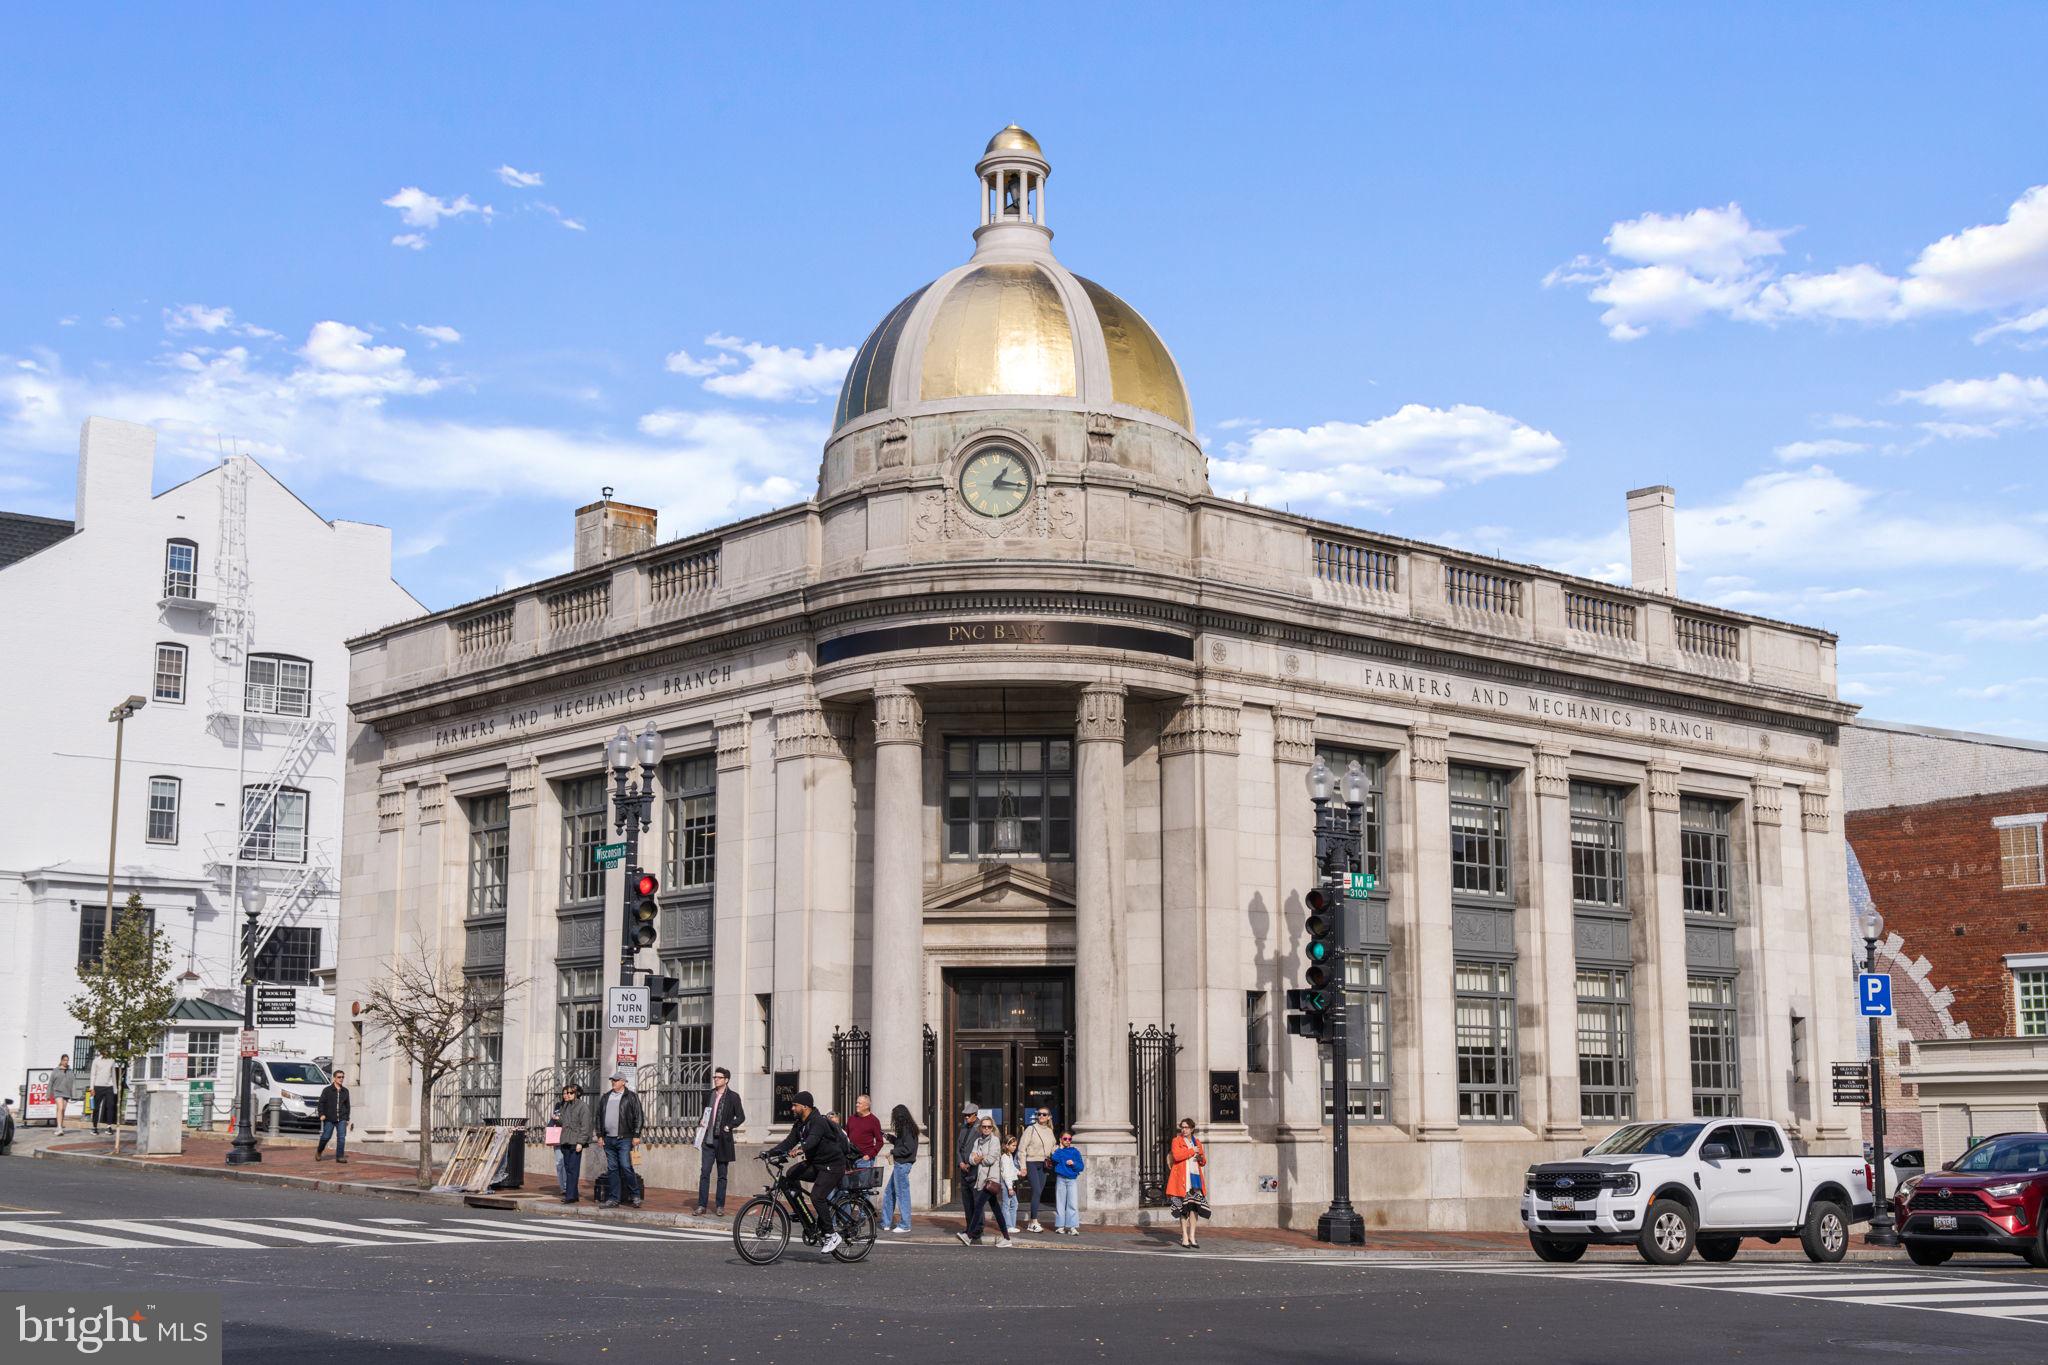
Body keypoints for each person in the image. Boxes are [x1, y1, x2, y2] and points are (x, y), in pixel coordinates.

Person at [766, 1090, 851, 1256]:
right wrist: (770, 1153)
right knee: (791, 1174)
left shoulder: (819, 1121)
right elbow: (789, 1141)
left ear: (805, 1107)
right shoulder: (800, 1123)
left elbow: (813, 1140)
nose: (792, 1108)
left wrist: (800, 1150)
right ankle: (801, 1211)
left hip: (833, 1165)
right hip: (817, 1164)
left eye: (795, 1105)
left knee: (817, 1197)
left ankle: (831, 1235)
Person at [693, 1065, 746, 1217]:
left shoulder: (733, 1097)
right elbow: (705, 1114)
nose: (715, 1079)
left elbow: (741, 1117)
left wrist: (730, 1126)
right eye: (715, 1077)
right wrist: (701, 1121)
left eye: (719, 1077)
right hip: (708, 1141)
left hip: (723, 1141)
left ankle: (720, 1205)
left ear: (726, 1080)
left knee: (722, 1175)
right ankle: (701, 1205)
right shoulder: (709, 1095)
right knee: (705, 1173)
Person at [954, 1113, 1012, 1248]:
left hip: (990, 1180)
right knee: (996, 1210)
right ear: (980, 1128)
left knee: (978, 1206)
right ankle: (1007, 1238)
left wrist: (978, 1158)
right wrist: (977, 1158)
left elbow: (990, 1159)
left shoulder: (995, 1141)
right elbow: (970, 1159)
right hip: (982, 1179)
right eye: (984, 1127)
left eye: (989, 1127)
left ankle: (969, 1236)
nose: (986, 1129)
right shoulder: (978, 1141)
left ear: (992, 1128)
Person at [595, 1067, 644, 1208]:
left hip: (625, 1138)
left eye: (616, 1080)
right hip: (608, 1139)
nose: (613, 1082)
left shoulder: (631, 1097)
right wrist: (599, 1135)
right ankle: (614, 1198)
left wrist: (636, 1135)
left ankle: (635, 1195)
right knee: (612, 1168)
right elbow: (598, 1117)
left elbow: (639, 1116)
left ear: (623, 1082)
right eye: (612, 1080)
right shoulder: (606, 1097)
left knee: (626, 1166)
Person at [548, 1082, 594, 1203]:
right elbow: (564, 1122)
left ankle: (569, 1196)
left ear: (576, 1093)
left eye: (570, 1093)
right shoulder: (565, 1106)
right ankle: (574, 1195)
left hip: (576, 1142)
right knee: (568, 1169)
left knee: (573, 1169)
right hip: (565, 1141)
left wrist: (580, 1142)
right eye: (566, 1093)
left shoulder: (583, 1107)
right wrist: (557, 1119)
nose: (567, 1095)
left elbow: (585, 1126)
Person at [1168, 1117, 1207, 1249]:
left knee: (1194, 1209)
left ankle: (1192, 1236)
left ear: (1192, 1129)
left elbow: (1203, 1161)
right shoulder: (1176, 1141)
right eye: (1182, 1127)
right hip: (1183, 1180)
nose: (1184, 1130)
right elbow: (1177, 1156)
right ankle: (1184, 1236)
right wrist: (1192, 1151)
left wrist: (1200, 1157)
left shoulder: (1197, 1142)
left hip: (1195, 1179)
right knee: (1183, 1209)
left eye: (1186, 1127)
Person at [1019, 1105, 1057, 1232]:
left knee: (1039, 1192)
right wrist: (1023, 1167)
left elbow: (1052, 1149)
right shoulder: (1031, 1129)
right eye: (1039, 1114)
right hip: (1031, 1163)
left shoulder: (1050, 1131)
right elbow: (1022, 1149)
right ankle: (1034, 1221)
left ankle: (1031, 1222)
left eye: (1044, 1114)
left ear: (1049, 1117)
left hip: (1044, 1164)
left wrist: (1060, 1149)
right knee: (1036, 1191)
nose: (1041, 1116)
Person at [881, 1104, 918, 1234]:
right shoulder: (907, 1128)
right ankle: (886, 1222)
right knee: (889, 1192)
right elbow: (902, 1144)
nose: (894, 1119)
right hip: (900, 1164)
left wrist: (893, 1151)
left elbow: (908, 1149)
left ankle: (905, 1224)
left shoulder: (907, 1129)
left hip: (903, 1165)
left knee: (902, 1195)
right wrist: (889, 1137)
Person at [1049, 1130, 1085, 1235]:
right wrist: (1059, 1148)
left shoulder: (1075, 1151)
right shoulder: (1058, 1151)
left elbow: (1081, 1167)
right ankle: (1060, 1226)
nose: (1067, 1141)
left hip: (1072, 1180)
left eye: (1069, 1139)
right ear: (1061, 1140)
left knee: (1072, 1203)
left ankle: (1072, 1226)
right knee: (1060, 1203)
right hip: (1061, 1179)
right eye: (1065, 1139)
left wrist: (1073, 1163)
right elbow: (1054, 1159)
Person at [314, 1069, 351, 1163]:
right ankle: (319, 1151)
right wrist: (321, 1114)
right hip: (329, 1118)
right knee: (326, 1136)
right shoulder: (327, 1090)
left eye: (342, 1077)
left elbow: (347, 1106)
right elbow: (321, 1103)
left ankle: (340, 1157)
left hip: (342, 1118)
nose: (341, 1079)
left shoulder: (345, 1091)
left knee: (341, 1137)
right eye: (339, 1077)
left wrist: (347, 1118)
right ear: (334, 1078)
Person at [953, 1100, 980, 1218]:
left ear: (975, 1115)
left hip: (974, 1169)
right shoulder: (964, 1127)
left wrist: (970, 1163)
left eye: (969, 1115)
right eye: (965, 1115)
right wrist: (960, 1163)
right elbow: (958, 1147)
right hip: (963, 1169)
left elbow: (981, 1150)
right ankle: (969, 1228)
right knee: (967, 1202)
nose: (966, 1117)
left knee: (976, 1201)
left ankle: (977, 1229)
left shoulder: (981, 1128)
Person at [845, 1094, 883, 1170]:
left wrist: (869, 1155)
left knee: (864, 1182)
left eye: (859, 1103)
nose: (856, 1105)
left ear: (867, 1106)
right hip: (850, 1159)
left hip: (864, 1160)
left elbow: (880, 1142)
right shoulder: (851, 1119)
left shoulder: (874, 1120)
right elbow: (846, 1137)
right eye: (857, 1103)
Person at [998, 1132, 1022, 1236]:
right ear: (1006, 1145)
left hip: (1009, 1183)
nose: (1015, 1147)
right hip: (1007, 1184)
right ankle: (1008, 1226)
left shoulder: (1009, 1156)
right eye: (1013, 1145)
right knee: (1007, 1205)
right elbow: (1006, 1174)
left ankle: (1011, 1225)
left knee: (1014, 1204)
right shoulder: (1004, 1157)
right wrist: (1010, 1188)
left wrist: (1018, 1172)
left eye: (1015, 1145)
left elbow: (1011, 1169)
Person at [88, 1052, 118, 1135]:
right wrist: (91, 1088)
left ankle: (109, 1126)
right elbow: (93, 1074)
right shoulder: (96, 1061)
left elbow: (113, 1075)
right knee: (96, 1107)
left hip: (109, 1086)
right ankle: (94, 1127)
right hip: (97, 1086)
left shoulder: (112, 1060)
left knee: (110, 1106)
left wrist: (115, 1089)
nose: (105, 1052)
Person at [50, 1055, 77, 1134]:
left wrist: (73, 1094)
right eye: (65, 1060)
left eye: (67, 1060)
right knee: (60, 1108)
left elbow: (73, 1082)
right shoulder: (56, 1070)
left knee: (62, 1110)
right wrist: (48, 1094)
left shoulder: (70, 1071)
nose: (66, 1062)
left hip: (66, 1092)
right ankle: (59, 1127)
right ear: (61, 1060)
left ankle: (59, 1127)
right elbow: (51, 1082)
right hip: (57, 1091)